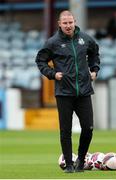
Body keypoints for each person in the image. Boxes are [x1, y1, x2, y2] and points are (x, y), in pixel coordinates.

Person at [35, 10, 100, 173]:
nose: (68, 25)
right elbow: (40, 60)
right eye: (65, 23)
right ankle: (69, 165)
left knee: (88, 128)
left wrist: (94, 69)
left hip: (84, 91)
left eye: (70, 22)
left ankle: (81, 160)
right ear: (59, 24)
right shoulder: (53, 43)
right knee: (66, 130)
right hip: (64, 92)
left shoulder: (85, 39)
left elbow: (95, 54)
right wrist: (52, 74)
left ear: (74, 22)